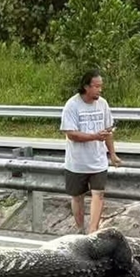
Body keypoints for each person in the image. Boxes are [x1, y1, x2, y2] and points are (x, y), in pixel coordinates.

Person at [60, 69, 122, 234]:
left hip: (98, 160)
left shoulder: (103, 104)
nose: (99, 90)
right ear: (86, 87)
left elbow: (108, 131)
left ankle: (93, 230)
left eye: (101, 86)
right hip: (77, 162)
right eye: (96, 86)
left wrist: (113, 154)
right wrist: (94, 136)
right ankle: (80, 229)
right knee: (77, 197)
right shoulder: (72, 105)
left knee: (99, 194)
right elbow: (71, 134)